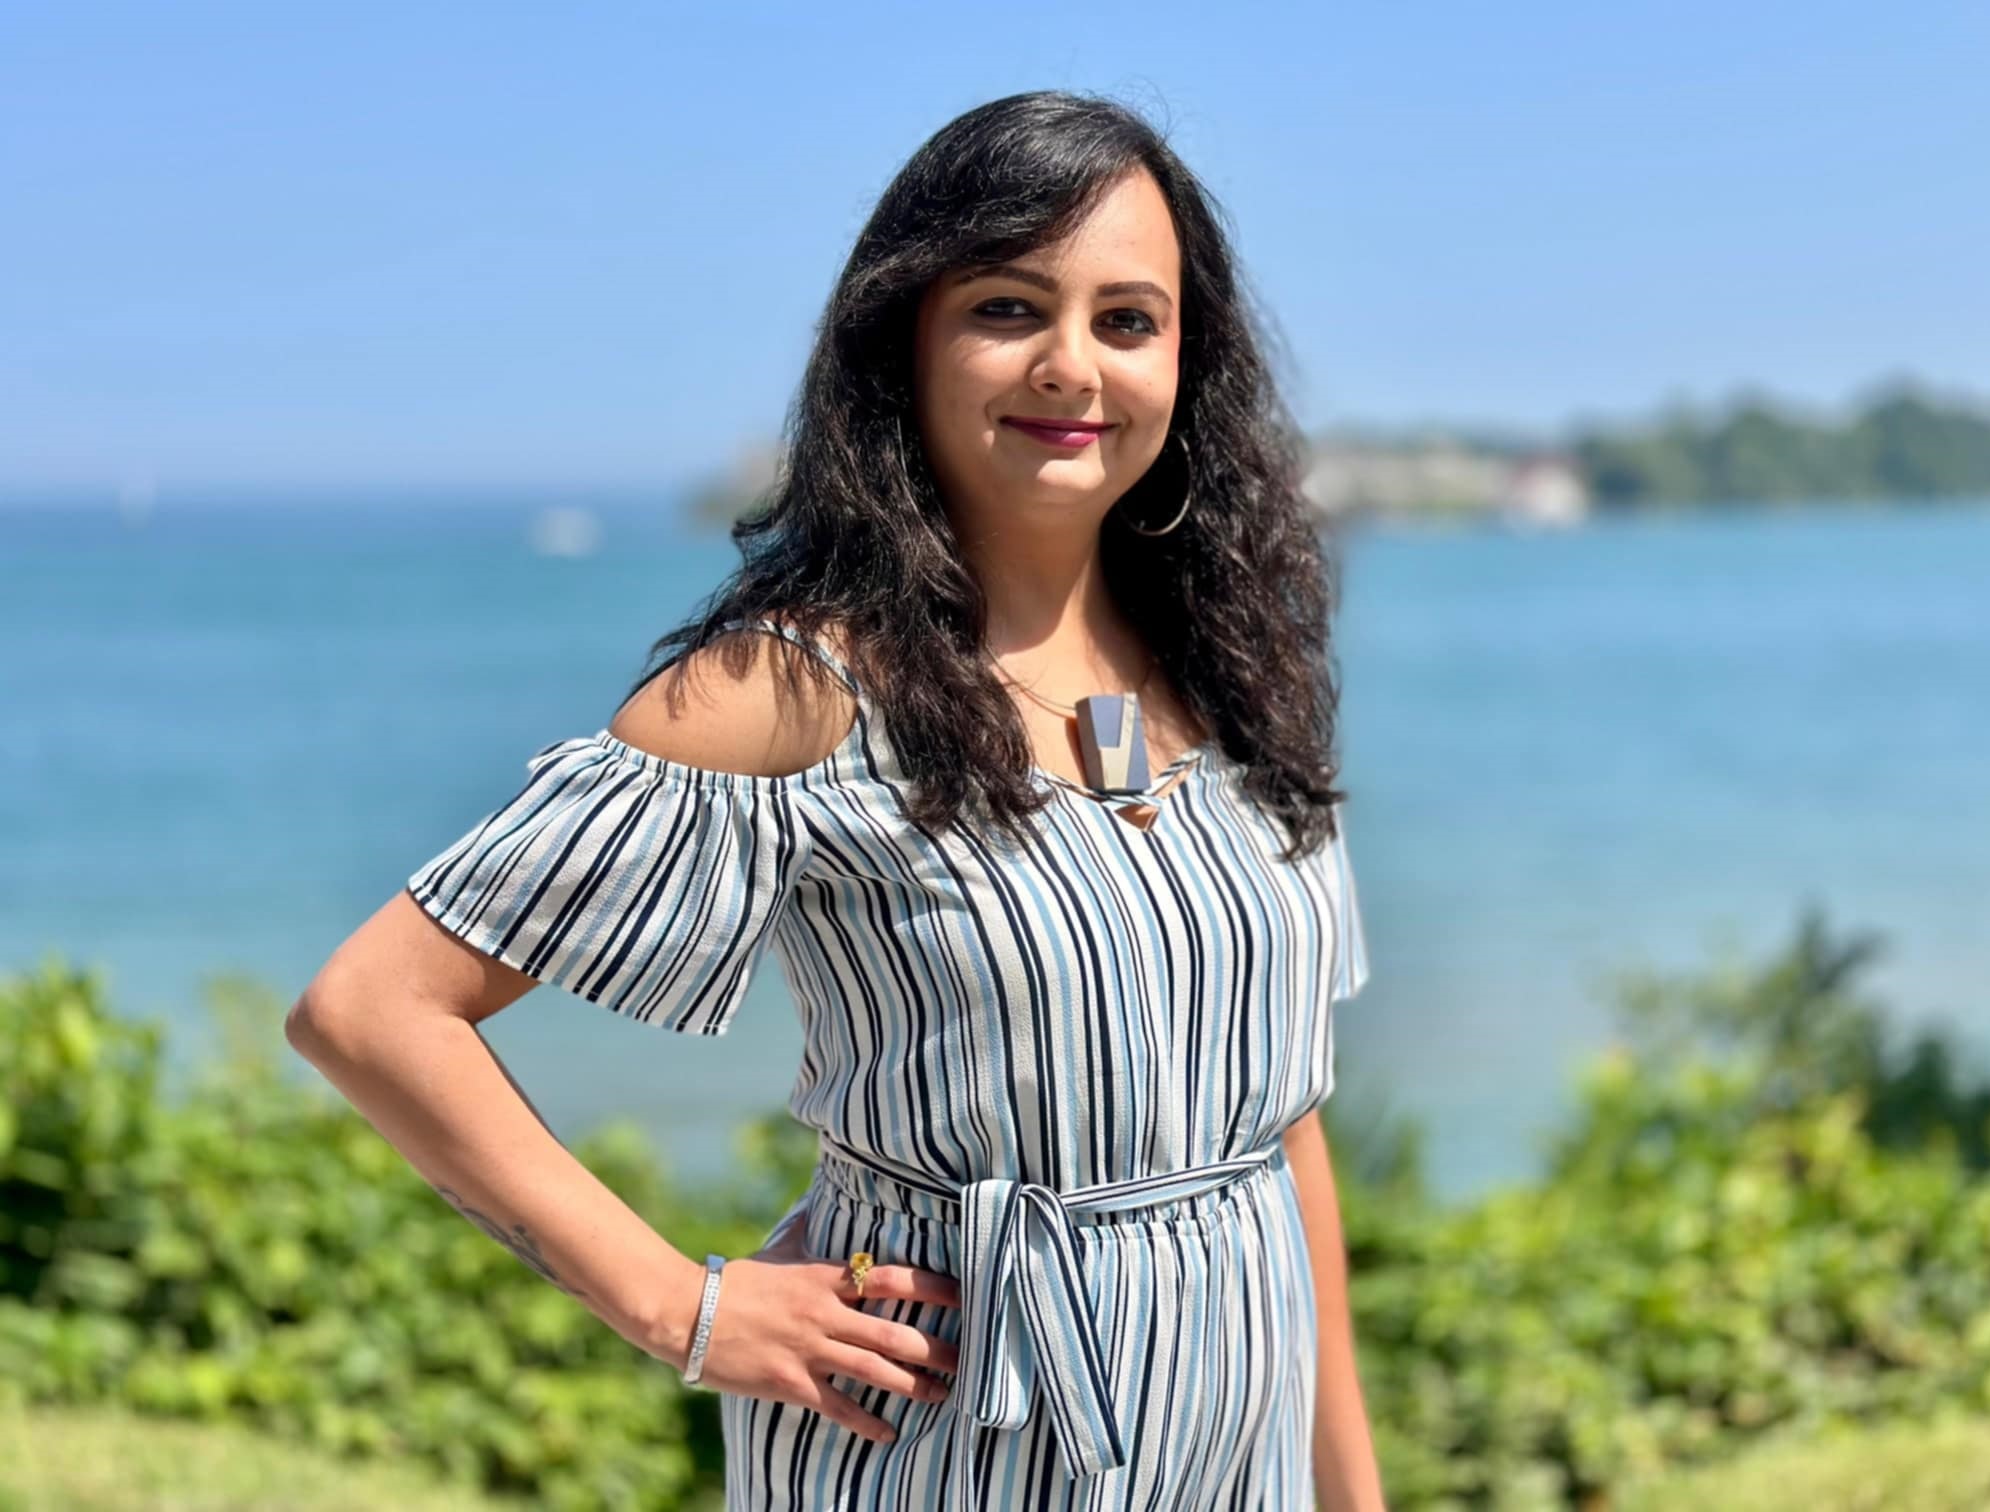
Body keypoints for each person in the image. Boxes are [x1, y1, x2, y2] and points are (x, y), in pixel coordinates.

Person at [288, 88, 1382, 1511]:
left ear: (1189, 361)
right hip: (944, 1442)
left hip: (1235, 1441)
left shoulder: (1232, 677)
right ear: (906, 342)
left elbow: (1281, 1125)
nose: (1074, 365)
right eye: (1007, 308)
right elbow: (373, 1010)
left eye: (1128, 320)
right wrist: (682, 1307)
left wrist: (1349, 1491)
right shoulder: (793, 684)